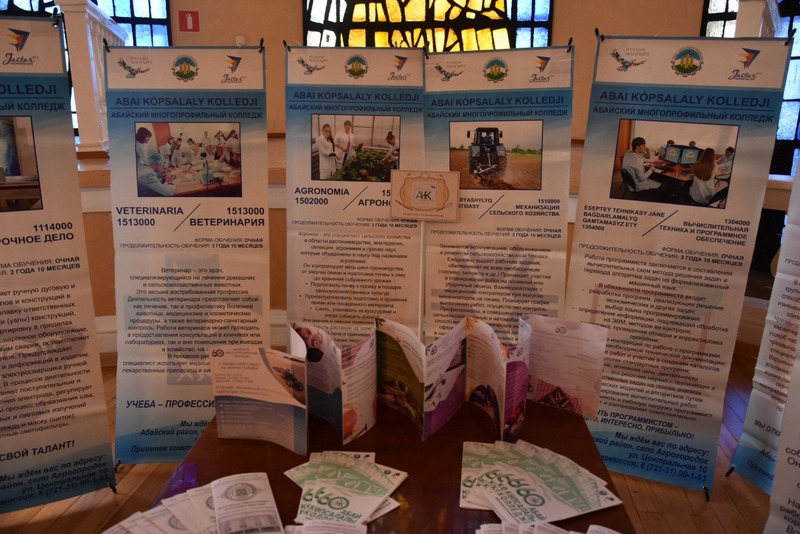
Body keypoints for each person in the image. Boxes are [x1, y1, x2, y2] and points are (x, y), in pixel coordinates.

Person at [135, 126, 175, 196]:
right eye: (160, 164)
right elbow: (169, 193)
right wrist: (170, 183)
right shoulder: (147, 174)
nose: (161, 167)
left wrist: (162, 177)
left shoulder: (145, 170)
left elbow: (153, 177)